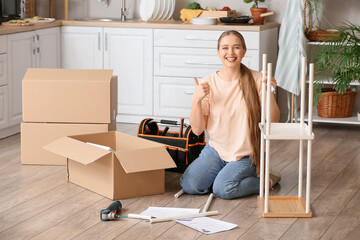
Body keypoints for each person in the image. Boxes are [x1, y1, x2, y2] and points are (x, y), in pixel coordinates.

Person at [180, 30, 281, 199]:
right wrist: (196, 100)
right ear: (218, 52)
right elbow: (197, 130)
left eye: (236, 47)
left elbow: (273, 121)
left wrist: (268, 92)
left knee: (224, 189)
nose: (231, 53)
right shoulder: (208, 82)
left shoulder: (257, 79)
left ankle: (267, 180)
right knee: (190, 184)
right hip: (215, 151)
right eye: (225, 48)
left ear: (244, 51)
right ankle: (224, 174)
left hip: (246, 154)